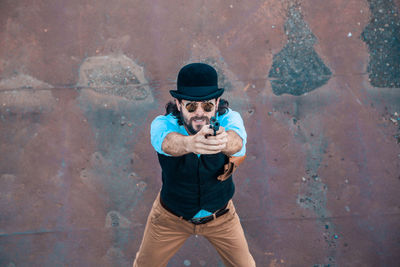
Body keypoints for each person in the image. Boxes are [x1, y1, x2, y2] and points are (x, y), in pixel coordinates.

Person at [133, 63, 255, 267]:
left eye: (207, 106)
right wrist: (191, 143)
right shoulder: (162, 124)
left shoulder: (230, 119)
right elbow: (167, 143)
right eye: (191, 106)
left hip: (221, 217)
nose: (199, 114)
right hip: (170, 218)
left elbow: (237, 142)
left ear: (217, 103)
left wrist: (222, 141)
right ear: (179, 104)